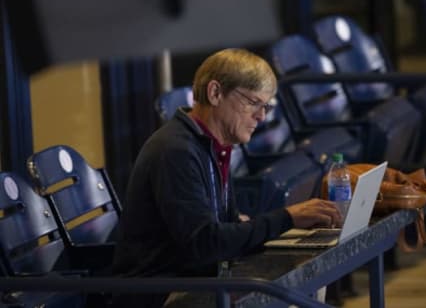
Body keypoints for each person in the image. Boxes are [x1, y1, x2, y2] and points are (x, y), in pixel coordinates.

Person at [112, 48, 341, 307]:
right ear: (215, 93)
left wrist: (289, 227)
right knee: (293, 284)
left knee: (305, 268)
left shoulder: (215, 144)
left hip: (199, 277)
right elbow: (206, 245)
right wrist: (288, 218)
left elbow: (225, 225)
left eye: (266, 106)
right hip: (161, 294)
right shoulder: (175, 150)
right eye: (253, 103)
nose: (261, 116)